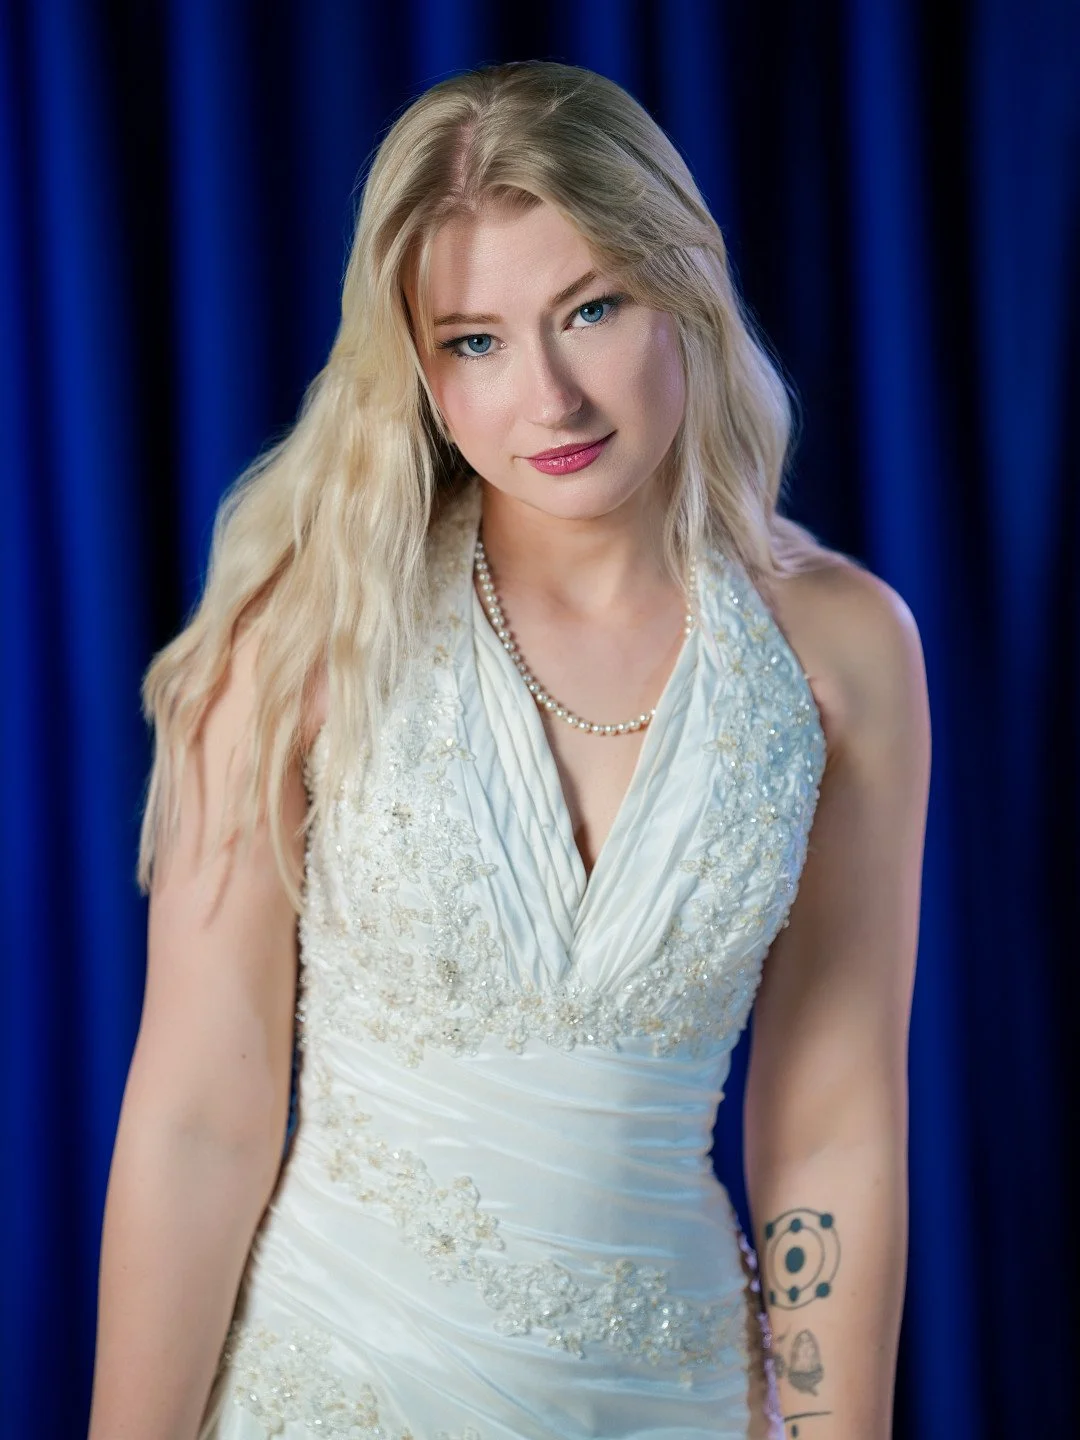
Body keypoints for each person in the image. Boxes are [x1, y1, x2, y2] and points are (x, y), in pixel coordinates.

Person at [88, 60, 930, 1440]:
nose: (548, 397)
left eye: (591, 310)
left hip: (684, 1400)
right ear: (417, 368)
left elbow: (835, 1119)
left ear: (684, 293)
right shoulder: (304, 637)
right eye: (475, 341)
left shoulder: (842, 650)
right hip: (336, 1383)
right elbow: (199, 1113)